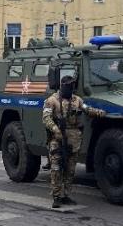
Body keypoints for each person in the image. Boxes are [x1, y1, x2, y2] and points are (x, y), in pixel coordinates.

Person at [42, 75, 105, 208]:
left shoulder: (77, 100)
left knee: (70, 169)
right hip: (57, 140)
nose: (70, 89)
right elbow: (46, 118)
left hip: (73, 140)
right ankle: (57, 196)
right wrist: (55, 129)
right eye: (68, 87)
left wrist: (99, 112)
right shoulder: (51, 100)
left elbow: (87, 110)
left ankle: (66, 195)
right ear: (62, 86)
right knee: (56, 168)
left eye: (72, 87)